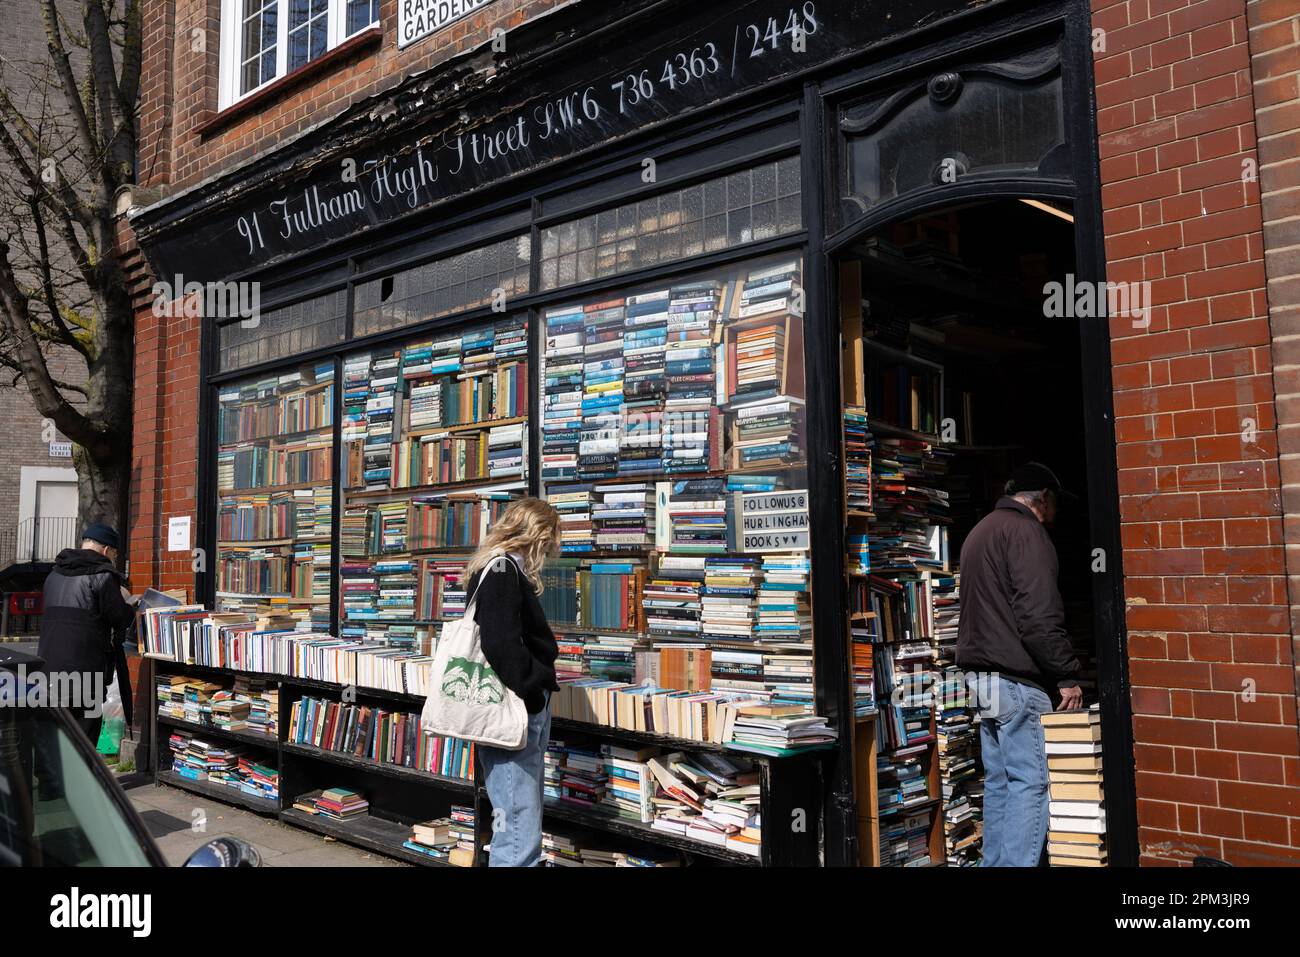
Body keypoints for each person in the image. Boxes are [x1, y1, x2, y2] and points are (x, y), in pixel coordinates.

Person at [955, 463, 1083, 867]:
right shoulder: (1027, 533)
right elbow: (1038, 616)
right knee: (1030, 782)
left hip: (982, 679)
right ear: (1042, 497)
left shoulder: (981, 531)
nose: (1057, 512)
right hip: (1016, 680)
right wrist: (1066, 674)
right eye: (1056, 502)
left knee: (999, 783)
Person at [461, 497, 562, 867]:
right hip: (513, 708)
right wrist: (532, 691)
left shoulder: (498, 567)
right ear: (538, 535)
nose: (552, 549)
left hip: (515, 705)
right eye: (551, 539)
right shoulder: (503, 571)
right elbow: (499, 642)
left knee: (517, 815)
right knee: (518, 826)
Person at [36, 523, 137, 745]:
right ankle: (82, 779)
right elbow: (120, 619)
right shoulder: (102, 575)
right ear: (106, 550)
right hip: (86, 669)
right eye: (114, 553)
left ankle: (54, 778)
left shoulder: (53, 574)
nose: (113, 558)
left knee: (56, 733)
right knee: (84, 734)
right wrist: (129, 603)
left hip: (48, 665)